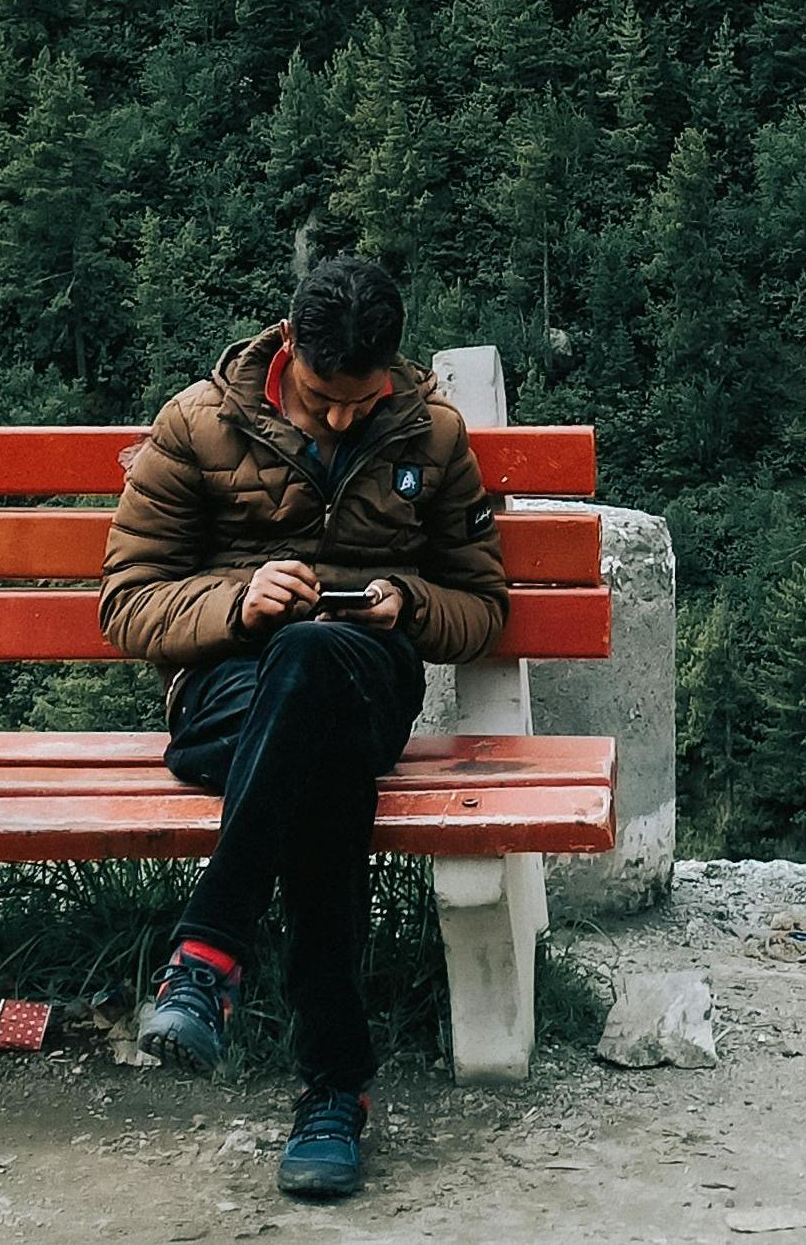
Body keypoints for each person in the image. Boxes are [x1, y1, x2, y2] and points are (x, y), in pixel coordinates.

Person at [99, 256, 506, 1200]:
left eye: (360, 404)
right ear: (289, 348)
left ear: (391, 370)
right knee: (310, 726)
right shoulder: (196, 423)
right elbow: (126, 604)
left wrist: (404, 602)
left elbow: (480, 607)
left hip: (365, 679)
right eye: (322, 398)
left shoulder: (432, 435)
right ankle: (334, 1091)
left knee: (316, 660)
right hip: (225, 699)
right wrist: (241, 600)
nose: (338, 420)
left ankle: (205, 958)